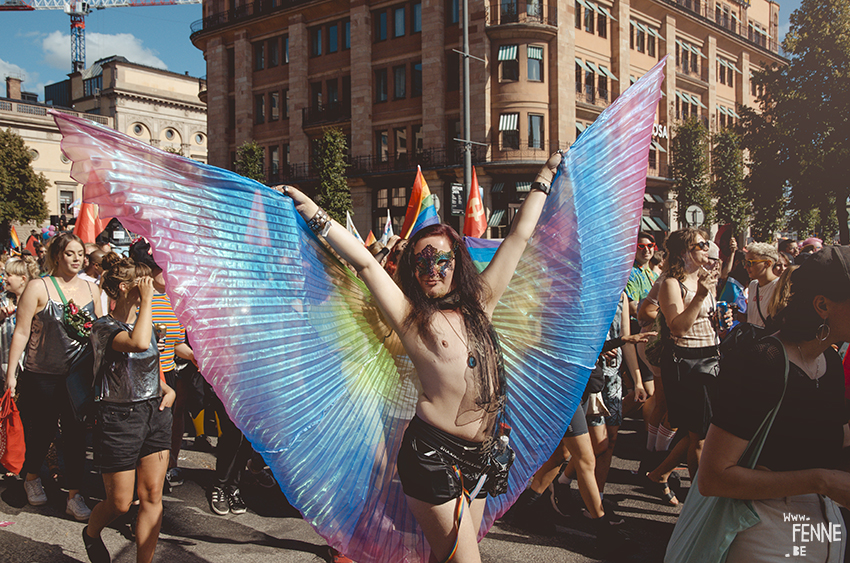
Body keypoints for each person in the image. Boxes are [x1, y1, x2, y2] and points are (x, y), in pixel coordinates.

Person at [274, 153, 558, 563]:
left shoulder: (482, 302)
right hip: (432, 457)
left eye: (441, 258)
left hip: (482, 456)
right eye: (422, 261)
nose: (433, 268)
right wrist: (315, 214)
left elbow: (517, 237)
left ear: (456, 262)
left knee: (452, 555)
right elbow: (367, 265)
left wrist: (544, 177)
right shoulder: (411, 319)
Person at [698, 246, 850, 562]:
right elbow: (713, 477)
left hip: (824, 533)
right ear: (822, 305)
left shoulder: (830, 362)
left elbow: (830, 437)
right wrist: (821, 480)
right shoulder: (763, 361)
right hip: (764, 537)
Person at [4, 233, 103, 521]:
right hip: (42, 375)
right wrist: (11, 374)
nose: (76, 259)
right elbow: (21, 331)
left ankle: (74, 494)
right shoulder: (38, 287)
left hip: (78, 377)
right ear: (58, 255)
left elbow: (98, 333)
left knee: (75, 436)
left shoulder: (91, 289)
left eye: (80, 253)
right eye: (70, 253)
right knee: (43, 430)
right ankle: (32, 476)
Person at [83, 257, 176, 563]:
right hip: (119, 419)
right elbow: (136, 344)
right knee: (120, 503)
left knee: (152, 496)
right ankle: (91, 533)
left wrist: (167, 389)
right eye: (142, 282)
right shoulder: (103, 327)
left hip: (154, 414)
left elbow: (149, 366)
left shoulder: (147, 322)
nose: (150, 286)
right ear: (125, 288)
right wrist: (147, 300)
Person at [656, 228, 723, 483]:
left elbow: (704, 320)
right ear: (684, 252)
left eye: (706, 244)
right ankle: (696, 501)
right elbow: (679, 328)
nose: (707, 248)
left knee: (707, 432)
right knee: (700, 437)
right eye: (701, 245)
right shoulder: (672, 284)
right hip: (690, 363)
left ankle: (659, 474)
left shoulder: (705, 278)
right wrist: (701, 296)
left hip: (713, 357)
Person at [0, 257, 39, 375]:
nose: (4, 278)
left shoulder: (36, 301)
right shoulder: (3, 300)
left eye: (9, 275)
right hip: (4, 366)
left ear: (23, 279)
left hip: (30, 366)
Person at [742, 242, 779, 330]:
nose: (745, 267)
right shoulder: (753, 285)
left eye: (750, 263)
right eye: (745, 262)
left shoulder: (778, 285)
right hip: (753, 339)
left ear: (767, 263)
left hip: (767, 340)